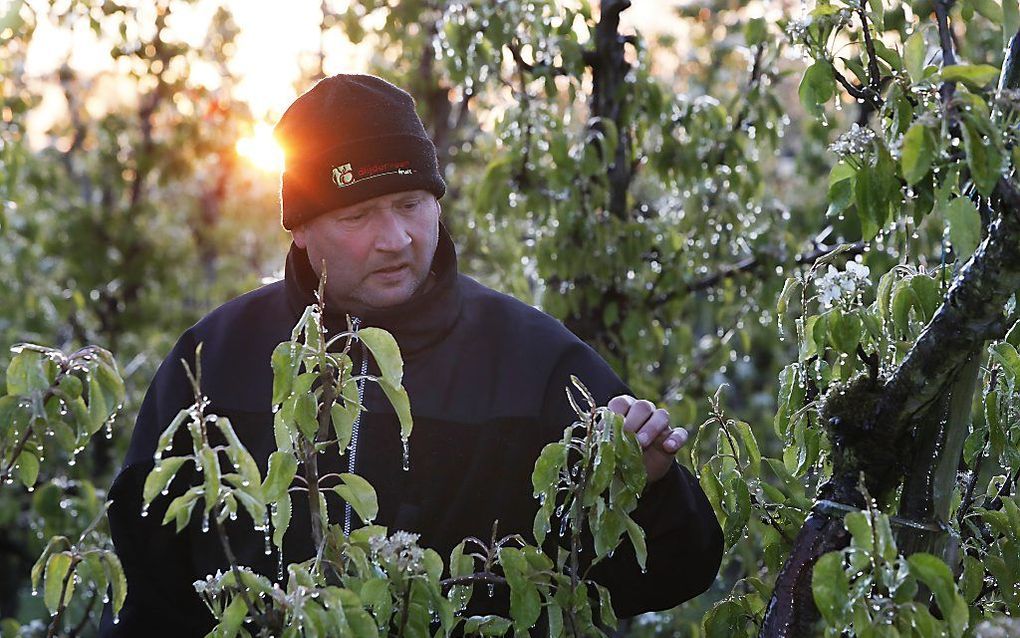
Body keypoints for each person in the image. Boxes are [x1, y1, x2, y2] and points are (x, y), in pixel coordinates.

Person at [99, 74, 723, 635]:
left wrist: (646, 485)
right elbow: (152, 600)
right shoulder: (214, 362)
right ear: (302, 226)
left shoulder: (535, 362)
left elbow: (669, 575)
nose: (394, 240)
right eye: (359, 215)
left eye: (410, 204)